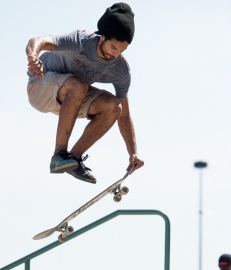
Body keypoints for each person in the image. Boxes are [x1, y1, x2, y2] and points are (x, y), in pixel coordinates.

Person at [25, 3, 144, 184]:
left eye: (122, 50)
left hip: (70, 100)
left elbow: (125, 114)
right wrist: (33, 56)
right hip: (40, 87)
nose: (116, 54)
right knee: (78, 85)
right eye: (114, 47)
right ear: (102, 37)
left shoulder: (120, 70)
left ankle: (74, 159)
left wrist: (133, 152)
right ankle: (59, 154)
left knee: (114, 106)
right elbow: (38, 41)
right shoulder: (80, 40)